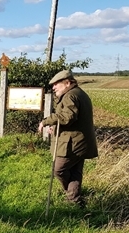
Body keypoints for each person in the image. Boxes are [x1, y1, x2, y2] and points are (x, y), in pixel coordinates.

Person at [38, 70, 98, 208]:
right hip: (81, 142)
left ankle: (71, 195)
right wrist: (57, 126)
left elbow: (67, 117)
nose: (53, 88)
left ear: (67, 83)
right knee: (75, 172)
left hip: (73, 144)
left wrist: (46, 121)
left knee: (59, 169)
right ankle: (75, 201)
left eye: (56, 84)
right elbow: (71, 119)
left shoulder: (70, 96)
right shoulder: (79, 93)